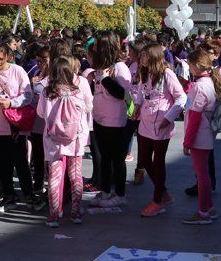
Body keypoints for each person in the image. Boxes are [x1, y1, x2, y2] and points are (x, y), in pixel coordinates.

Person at [38, 55, 92, 227]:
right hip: (75, 137)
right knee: (75, 175)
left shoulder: (47, 89)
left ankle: (54, 215)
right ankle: (75, 212)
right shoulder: (80, 86)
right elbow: (89, 106)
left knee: (54, 176)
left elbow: (40, 113)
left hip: (53, 138)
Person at [134, 43, 187, 217]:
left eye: (144, 56)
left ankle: (157, 201)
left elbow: (181, 97)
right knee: (143, 159)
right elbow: (142, 92)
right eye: (141, 56)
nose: (141, 59)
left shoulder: (167, 74)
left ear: (154, 57)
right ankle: (163, 192)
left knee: (158, 162)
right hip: (145, 122)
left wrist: (169, 118)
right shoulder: (143, 72)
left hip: (161, 123)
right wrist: (137, 105)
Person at [0, 43, 40, 213]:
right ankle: (8, 195)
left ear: (9, 57)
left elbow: (27, 95)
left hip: (15, 124)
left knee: (20, 161)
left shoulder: (18, 71)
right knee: (2, 162)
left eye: (1, 59)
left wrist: (11, 102)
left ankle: (29, 195)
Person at [88, 31, 133, 208]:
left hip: (116, 121)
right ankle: (105, 191)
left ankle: (120, 193)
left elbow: (123, 94)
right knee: (104, 158)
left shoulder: (120, 68)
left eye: (98, 44)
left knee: (117, 159)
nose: (95, 47)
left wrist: (106, 78)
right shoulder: (100, 68)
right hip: (99, 119)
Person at [181, 47, 221, 225]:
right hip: (205, 134)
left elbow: (195, 116)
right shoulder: (208, 82)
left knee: (202, 176)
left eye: (190, 65)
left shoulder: (200, 86)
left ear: (197, 66)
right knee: (203, 174)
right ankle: (209, 208)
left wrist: (187, 142)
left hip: (200, 135)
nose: (189, 68)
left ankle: (203, 212)